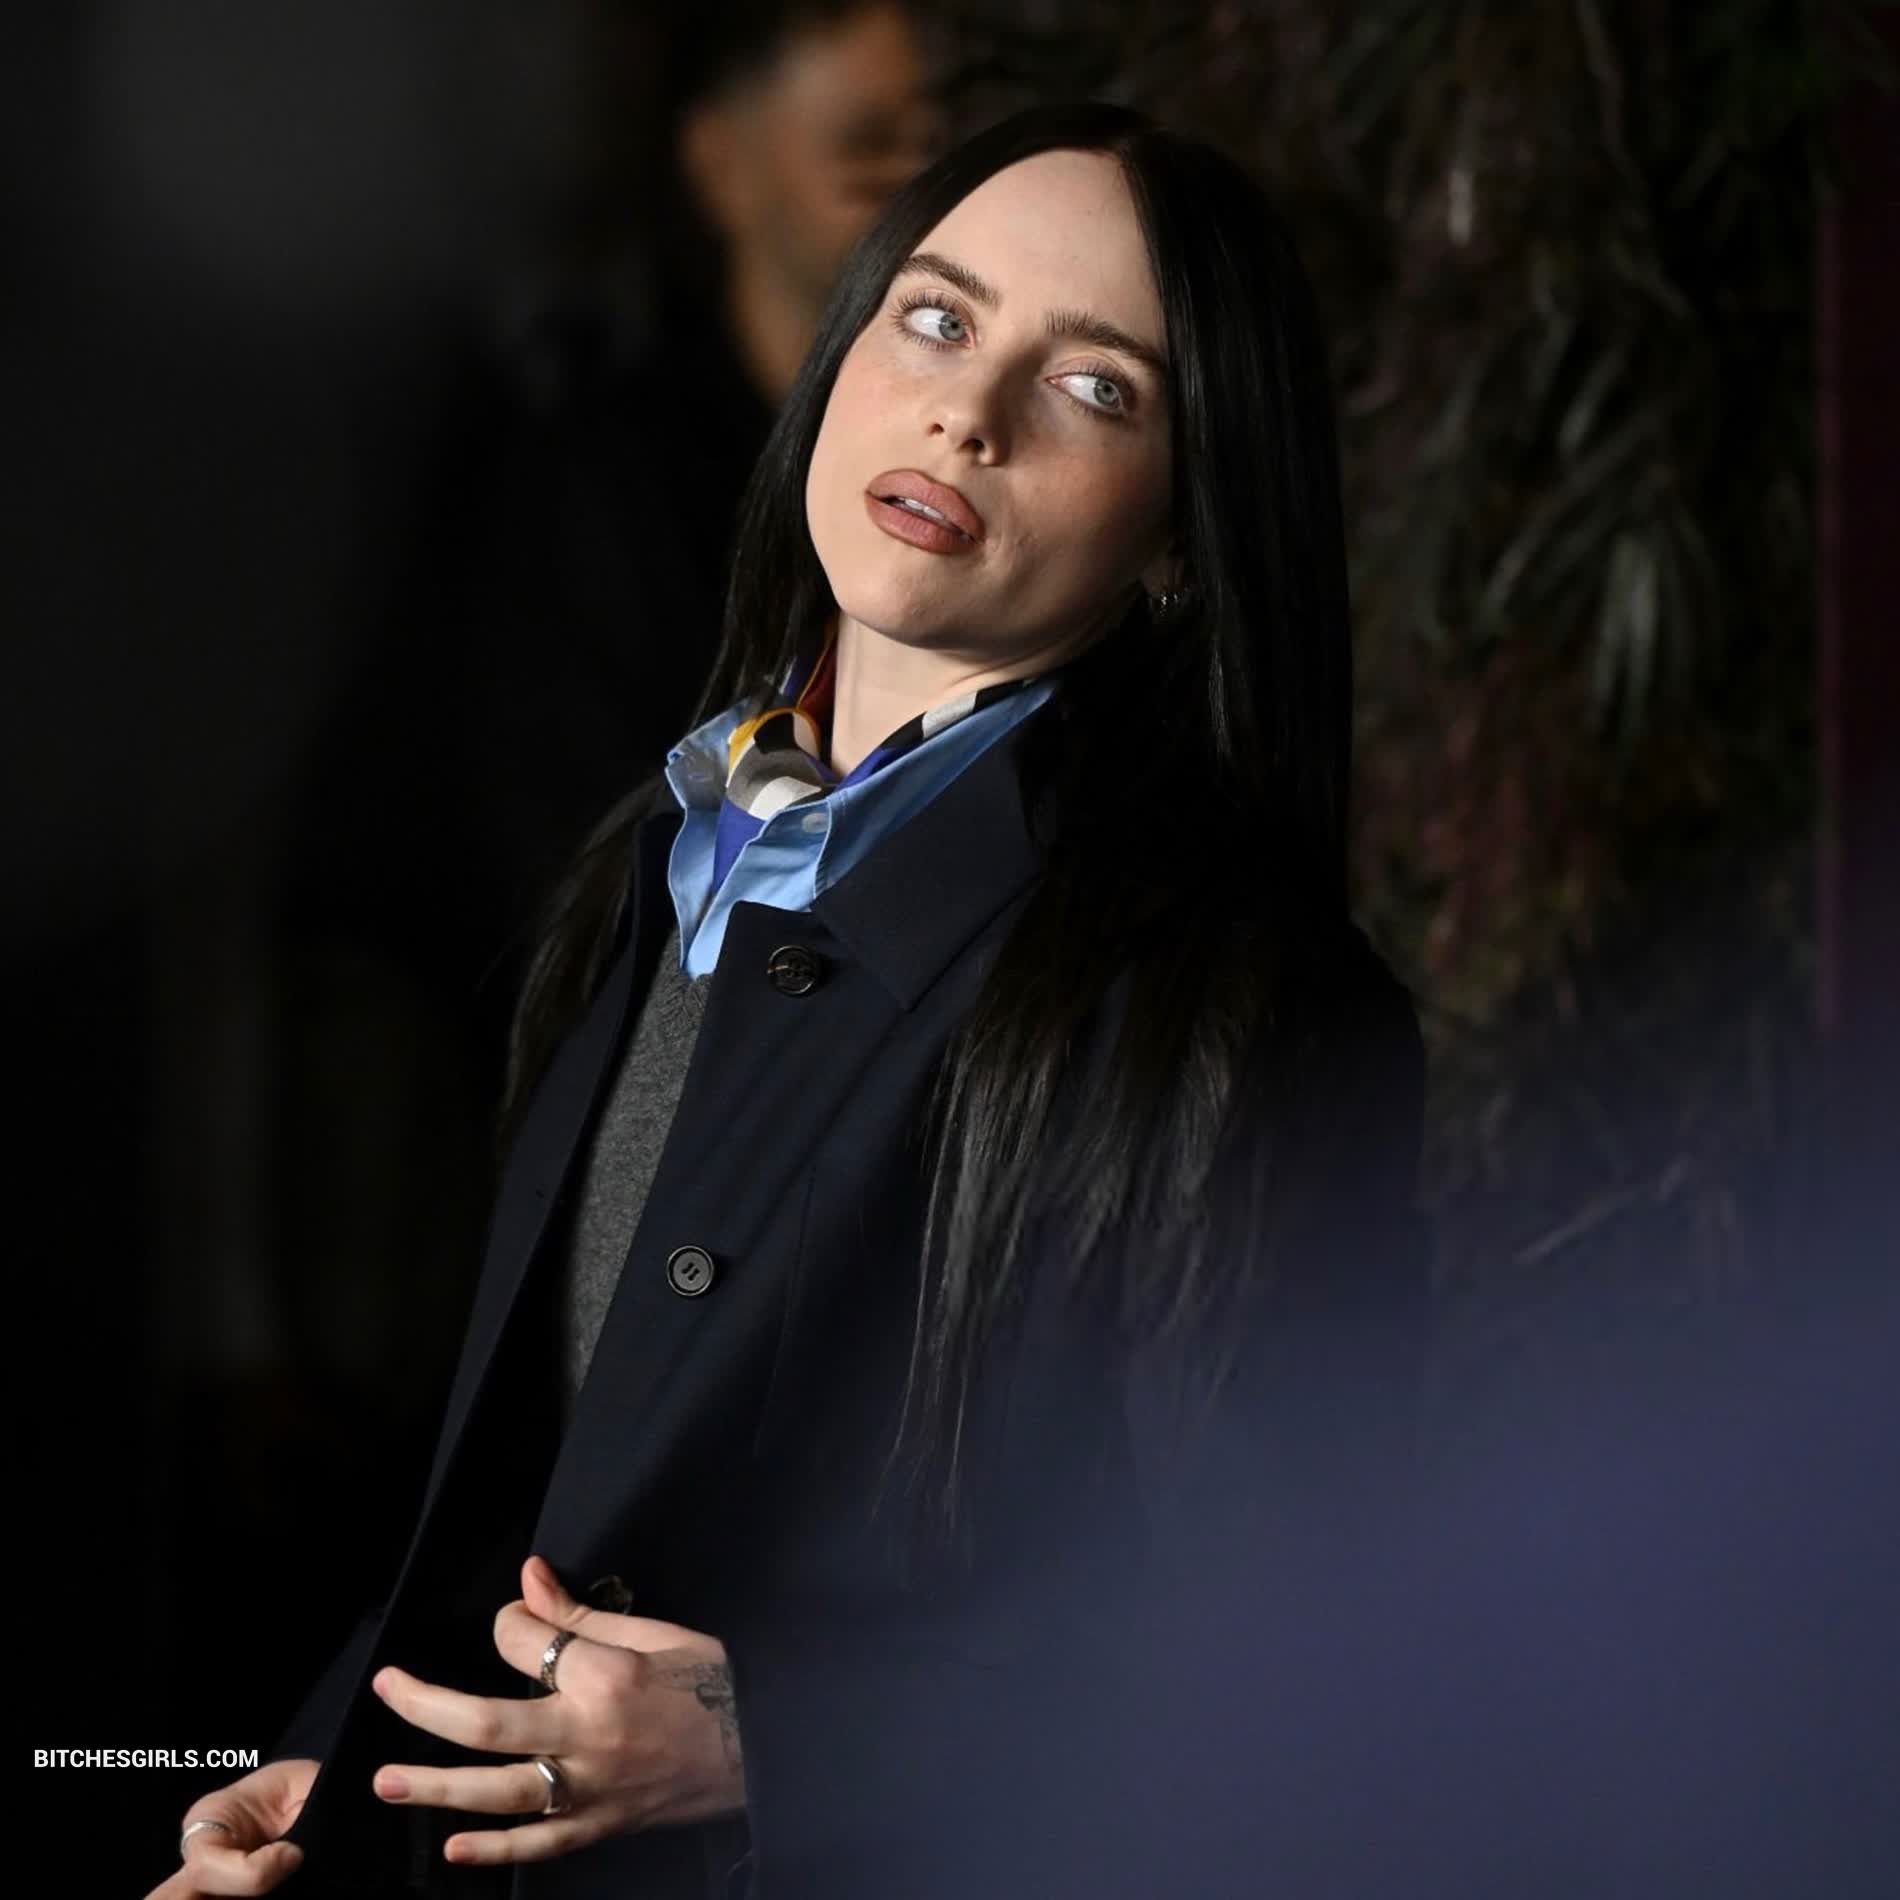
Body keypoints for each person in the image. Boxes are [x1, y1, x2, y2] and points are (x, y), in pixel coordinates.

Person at [146, 101, 1428, 1900]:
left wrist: (779, 1743)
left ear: (1180, 539)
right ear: (836, 364)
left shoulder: (1235, 997)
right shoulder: (667, 853)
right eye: (937, 318)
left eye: (1097, 388)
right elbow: (547, 1476)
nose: (967, 413)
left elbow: (1305, 1658)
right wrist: (334, 1774)